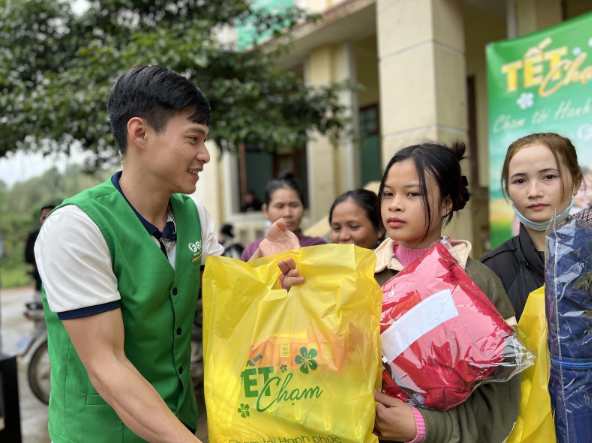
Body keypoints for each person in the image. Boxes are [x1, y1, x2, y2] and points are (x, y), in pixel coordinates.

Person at [34, 66, 297, 443]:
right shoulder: (75, 228)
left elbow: (230, 307)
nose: (205, 155)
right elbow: (106, 364)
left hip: (178, 422)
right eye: (193, 138)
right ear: (139, 133)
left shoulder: (194, 215)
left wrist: (266, 268)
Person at [370, 142, 519, 443]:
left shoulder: (477, 280)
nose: (395, 204)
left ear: (446, 204)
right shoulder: (360, 277)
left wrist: (426, 427)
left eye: (412, 194)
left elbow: (501, 397)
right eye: (388, 193)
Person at [481, 133, 582, 321]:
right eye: (520, 181)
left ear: (576, 182)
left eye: (549, 177)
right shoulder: (490, 270)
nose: (534, 192)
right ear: (507, 189)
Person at [241, 171, 325, 261]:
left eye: (294, 205)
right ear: (266, 211)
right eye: (279, 206)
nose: (287, 213)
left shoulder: (317, 246)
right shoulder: (252, 250)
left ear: (303, 208)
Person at [25, 204, 56, 301]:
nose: (47, 220)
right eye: (44, 218)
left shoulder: (65, 236)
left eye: (51, 217)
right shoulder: (34, 236)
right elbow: (28, 257)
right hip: (41, 283)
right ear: (40, 219)